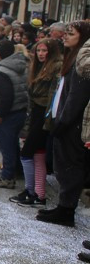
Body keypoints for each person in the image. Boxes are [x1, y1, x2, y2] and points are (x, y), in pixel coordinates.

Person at [36, 21, 90, 226]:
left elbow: (77, 97)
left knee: (70, 166)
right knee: (62, 164)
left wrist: (64, 121)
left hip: (72, 124)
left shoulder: (81, 62)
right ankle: (63, 206)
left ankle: (66, 209)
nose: (65, 37)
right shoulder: (73, 58)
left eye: (71, 33)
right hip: (64, 119)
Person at [11, 38, 61, 207]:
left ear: (51, 52)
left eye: (44, 50)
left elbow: (54, 97)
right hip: (36, 114)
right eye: (39, 50)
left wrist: (47, 122)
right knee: (38, 154)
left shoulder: (56, 67)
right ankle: (37, 194)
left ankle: (33, 191)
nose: (41, 54)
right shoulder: (37, 67)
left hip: (45, 116)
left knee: (26, 153)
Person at [0, 40, 28, 189]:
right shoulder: (21, 65)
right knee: (13, 144)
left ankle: (7, 177)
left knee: (7, 145)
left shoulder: (2, 71)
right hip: (21, 109)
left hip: (9, 113)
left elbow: (6, 97)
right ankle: (16, 170)